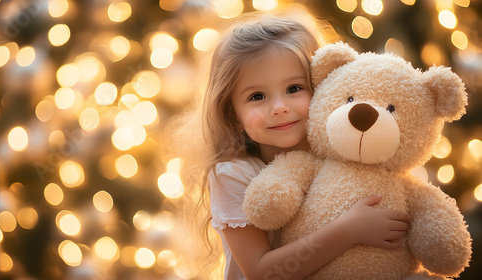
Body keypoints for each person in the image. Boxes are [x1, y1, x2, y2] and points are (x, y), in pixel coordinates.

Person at [169, 8, 410, 280]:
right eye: (257, 96)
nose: (279, 107)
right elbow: (262, 273)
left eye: (294, 89)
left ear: (322, 88)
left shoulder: (346, 156)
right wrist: (350, 229)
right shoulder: (232, 175)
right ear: (232, 114)